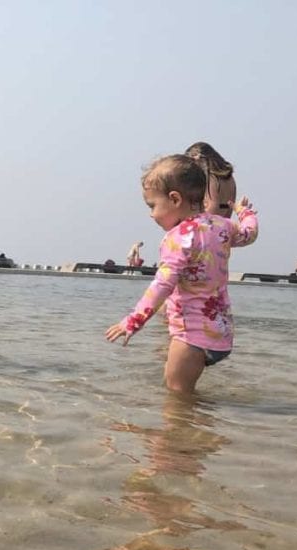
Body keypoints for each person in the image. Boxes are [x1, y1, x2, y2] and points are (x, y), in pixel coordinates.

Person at [105, 154, 258, 394]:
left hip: (191, 336)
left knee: (176, 398)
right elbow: (249, 233)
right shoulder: (222, 226)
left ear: (175, 199)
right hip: (221, 335)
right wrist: (244, 212)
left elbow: (162, 284)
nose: (151, 214)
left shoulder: (178, 238)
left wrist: (134, 320)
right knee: (187, 400)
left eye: (152, 206)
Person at [185, 142, 236, 217]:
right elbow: (228, 206)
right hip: (223, 221)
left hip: (209, 221)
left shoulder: (211, 178)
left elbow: (212, 205)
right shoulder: (230, 178)